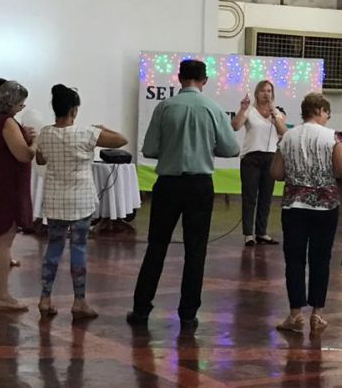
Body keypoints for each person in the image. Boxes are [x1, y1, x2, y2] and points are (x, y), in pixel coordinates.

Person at [129, 59, 240, 331]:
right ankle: (188, 314)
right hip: (200, 185)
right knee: (196, 250)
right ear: (205, 81)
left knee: (157, 246)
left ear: (179, 78)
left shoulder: (165, 107)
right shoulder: (213, 109)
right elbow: (231, 149)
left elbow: (150, 149)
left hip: (168, 184)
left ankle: (141, 308)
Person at [36, 85, 128, 320]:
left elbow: (40, 159)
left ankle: (45, 298)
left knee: (53, 247)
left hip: (55, 200)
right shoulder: (86, 133)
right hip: (80, 200)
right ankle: (79, 301)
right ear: (74, 110)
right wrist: (102, 128)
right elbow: (121, 140)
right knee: (79, 247)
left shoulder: (45, 133)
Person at [271, 93, 342, 334]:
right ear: (321, 110)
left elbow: (276, 173)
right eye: (327, 113)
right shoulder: (332, 137)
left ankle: (295, 314)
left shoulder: (288, 136)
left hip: (294, 206)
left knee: (294, 260)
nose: (328, 118)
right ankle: (317, 314)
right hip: (325, 207)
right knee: (321, 259)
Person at [0, 81, 37, 311]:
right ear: (11, 102)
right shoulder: (7, 122)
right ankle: (2, 296)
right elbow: (23, 155)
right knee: (4, 240)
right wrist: (35, 143)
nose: (22, 107)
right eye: (21, 102)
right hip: (5, 184)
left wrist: (22, 134)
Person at [232, 80, 288, 246]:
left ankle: (261, 232)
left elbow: (283, 132)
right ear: (257, 93)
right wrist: (243, 109)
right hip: (251, 158)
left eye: (269, 91)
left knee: (266, 197)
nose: (266, 94)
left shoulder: (277, 113)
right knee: (250, 196)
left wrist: (274, 116)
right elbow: (235, 126)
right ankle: (248, 234)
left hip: (270, 158)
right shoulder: (249, 110)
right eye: (263, 90)